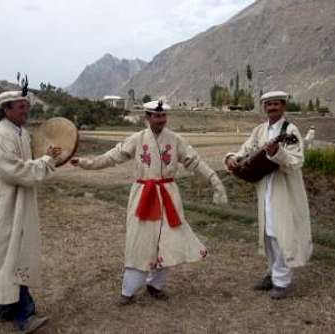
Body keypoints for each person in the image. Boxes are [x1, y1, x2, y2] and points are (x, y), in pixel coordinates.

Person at [71, 100, 228, 305]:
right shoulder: (137, 139)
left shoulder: (175, 139)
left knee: (168, 241)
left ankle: (156, 285)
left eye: (163, 116)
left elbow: (195, 161)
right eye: (156, 116)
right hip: (144, 195)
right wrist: (85, 162)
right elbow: (112, 157)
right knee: (139, 242)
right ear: (147, 117)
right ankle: (128, 291)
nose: (160, 119)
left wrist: (215, 182)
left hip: (169, 196)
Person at [0, 88, 61, 333]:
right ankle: (25, 316)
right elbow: (14, 171)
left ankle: (5, 310)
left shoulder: (22, 134)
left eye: (27, 106)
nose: (26, 110)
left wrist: (45, 159)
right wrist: (46, 161)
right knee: (12, 255)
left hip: (20, 203)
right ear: (6, 110)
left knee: (12, 255)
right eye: (21, 107)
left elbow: (25, 167)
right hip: (5, 207)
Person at [224, 91, 312, 300]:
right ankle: (272, 273)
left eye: (276, 104)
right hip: (265, 190)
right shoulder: (260, 130)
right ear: (264, 107)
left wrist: (276, 153)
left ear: (283, 106)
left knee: (281, 233)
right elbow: (246, 149)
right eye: (268, 104)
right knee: (268, 234)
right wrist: (232, 158)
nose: (272, 107)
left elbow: (296, 161)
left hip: (284, 191)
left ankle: (282, 282)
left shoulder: (290, 130)